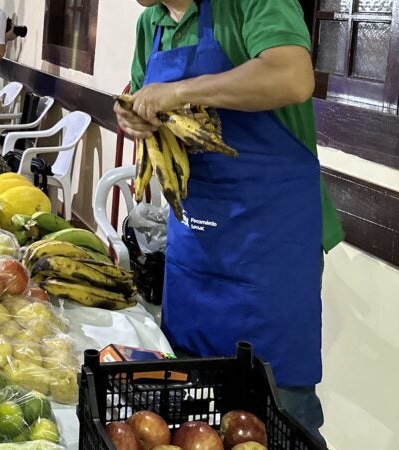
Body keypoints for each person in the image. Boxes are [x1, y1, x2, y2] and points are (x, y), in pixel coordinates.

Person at [114, 0, 344, 444]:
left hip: (269, 247)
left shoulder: (249, 4)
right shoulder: (152, 25)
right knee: (190, 411)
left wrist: (181, 91)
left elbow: (292, 76)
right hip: (195, 244)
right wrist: (130, 116)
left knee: (278, 414)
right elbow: (149, 103)